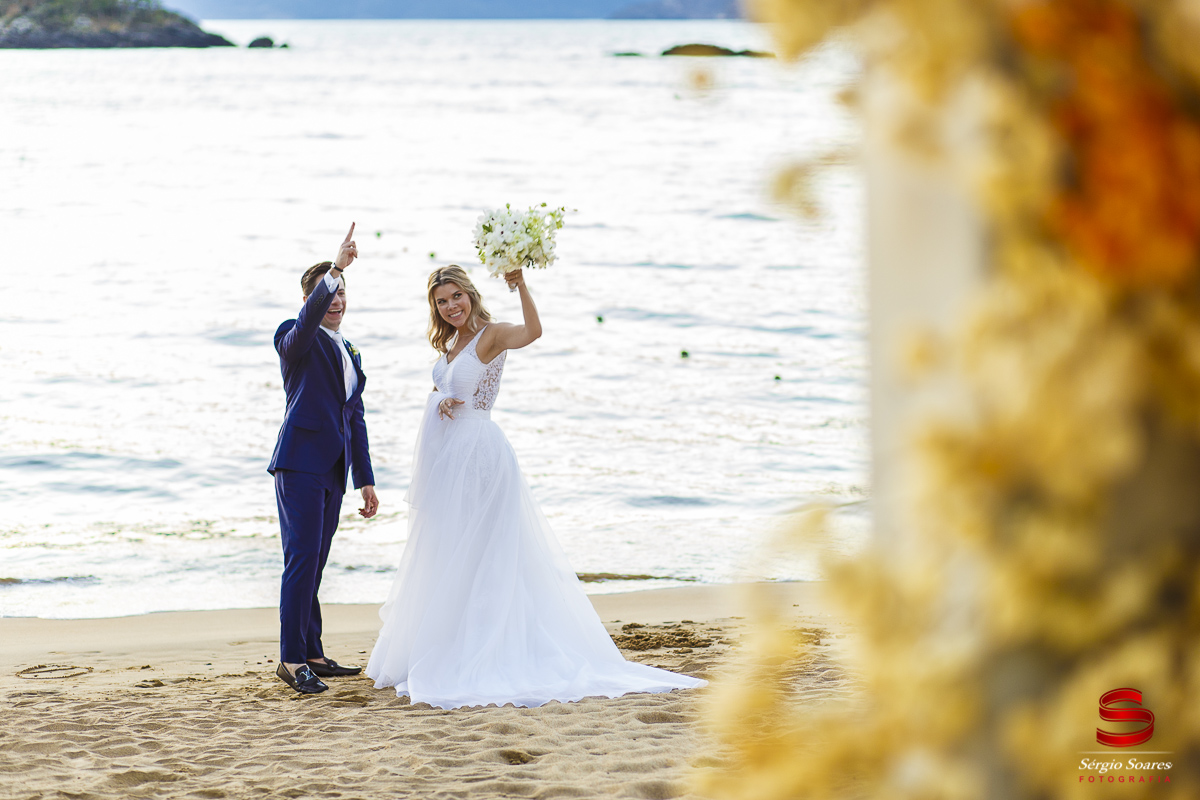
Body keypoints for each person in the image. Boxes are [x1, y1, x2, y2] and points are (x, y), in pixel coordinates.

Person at [366, 264, 704, 708]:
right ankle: (446, 643)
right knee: (450, 550)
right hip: (451, 459)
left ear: (470, 293)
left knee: (486, 551)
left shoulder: (491, 334)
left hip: (481, 454)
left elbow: (534, 331)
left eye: (455, 297)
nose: (450, 307)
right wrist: (439, 400)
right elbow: (442, 391)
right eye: (441, 301)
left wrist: (520, 284)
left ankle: (489, 647)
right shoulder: (449, 344)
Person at [269, 223, 380, 695]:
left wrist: (365, 480)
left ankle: (313, 652)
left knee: (316, 563)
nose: (336, 300)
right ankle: (291, 661)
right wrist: (335, 268)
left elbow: (354, 418)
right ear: (310, 300)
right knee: (301, 559)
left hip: (333, 472)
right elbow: (308, 319)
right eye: (326, 293)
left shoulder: (350, 351)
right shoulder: (294, 337)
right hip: (298, 464)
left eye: (341, 293)